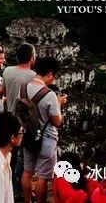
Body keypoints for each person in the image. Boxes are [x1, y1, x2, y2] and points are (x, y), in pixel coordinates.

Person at [21, 56, 67, 203]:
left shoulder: (23, 88)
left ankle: (27, 201)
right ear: (49, 73)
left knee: (27, 171)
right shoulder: (50, 94)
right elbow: (57, 122)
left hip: (28, 135)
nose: (53, 79)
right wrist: (59, 103)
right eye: (53, 76)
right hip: (46, 138)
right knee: (43, 176)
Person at [3, 42, 36, 198]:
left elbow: (4, 91)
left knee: (10, 155)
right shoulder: (33, 76)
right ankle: (18, 190)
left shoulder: (7, 71)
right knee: (23, 158)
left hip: (9, 116)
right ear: (31, 58)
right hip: (24, 122)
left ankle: (9, 186)